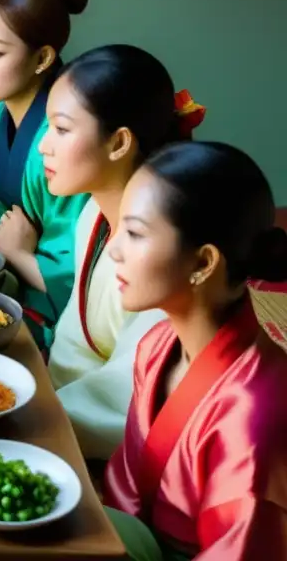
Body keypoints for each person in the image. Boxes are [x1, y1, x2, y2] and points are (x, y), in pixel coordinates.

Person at [103, 141, 287, 561]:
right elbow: (126, 496)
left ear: (204, 262)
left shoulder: (255, 412)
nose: (114, 249)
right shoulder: (155, 347)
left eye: (134, 233)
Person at [39, 44, 205, 459]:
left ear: (118, 143)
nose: (44, 146)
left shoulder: (163, 251)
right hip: (65, 404)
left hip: (132, 447)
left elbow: (128, 400)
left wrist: (28, 415)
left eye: (60, 129)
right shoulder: (92, 215)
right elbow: (76, 347)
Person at [0, 0, 92, 349]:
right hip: (8, 271)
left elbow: (81, 266)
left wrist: (16, 252)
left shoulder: (64, 141)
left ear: (43, 58)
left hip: (59, 304)